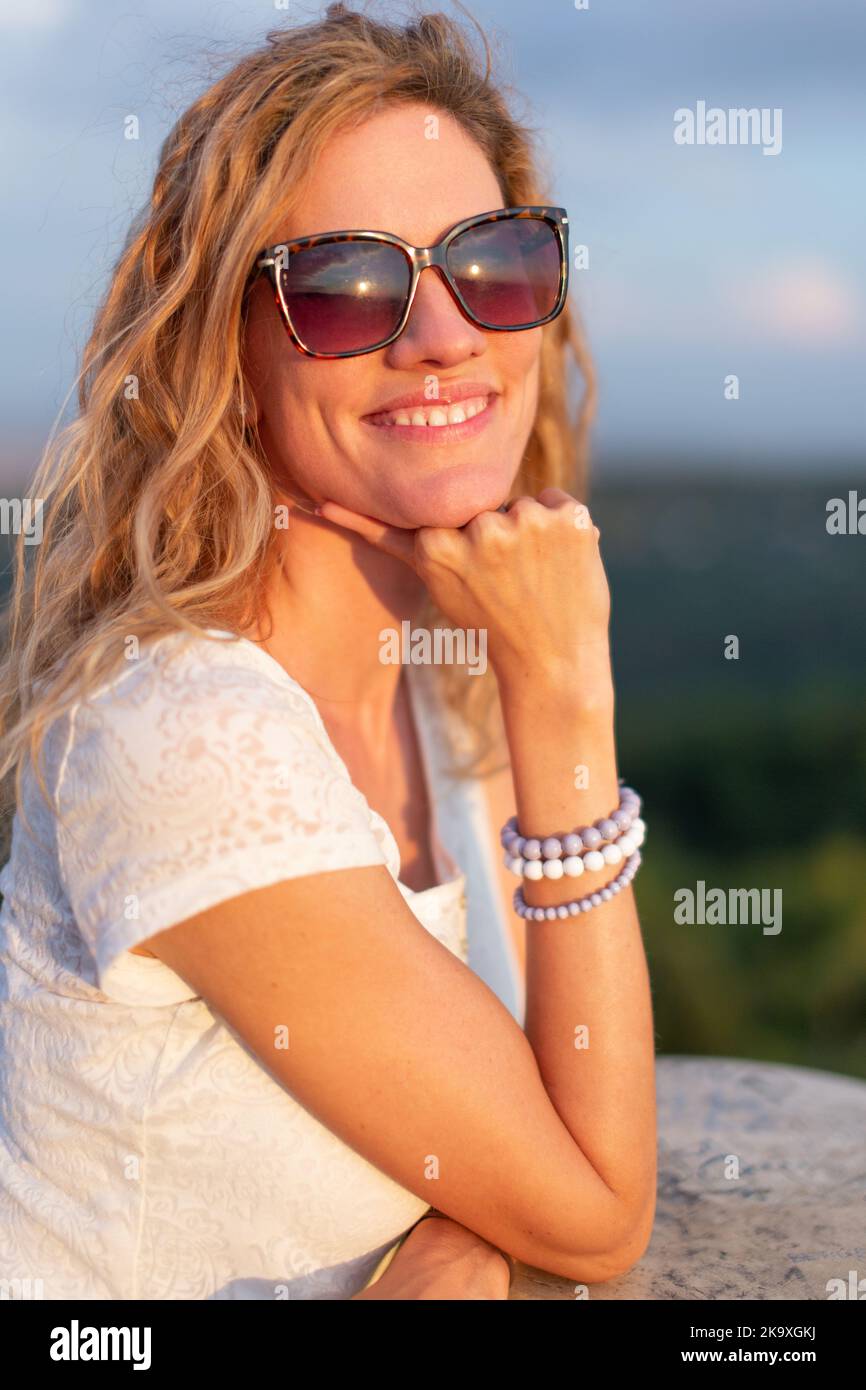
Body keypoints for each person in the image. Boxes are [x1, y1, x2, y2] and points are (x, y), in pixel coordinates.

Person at [0, 3, 656, 1300]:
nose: (444, 336)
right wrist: (569, 695)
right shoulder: (180, 739)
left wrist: (466, 1216)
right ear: (221, 352)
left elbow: (550, 1137)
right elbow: (594, 1213)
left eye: (496, 260)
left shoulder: (441, 681)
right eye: (346, 285)